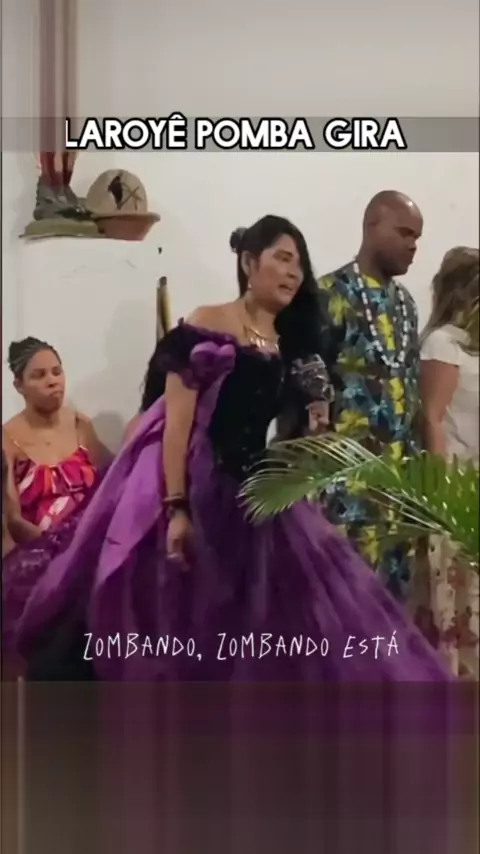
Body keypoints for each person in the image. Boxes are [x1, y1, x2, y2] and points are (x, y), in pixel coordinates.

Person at [3, 215, 452, 683]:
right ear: (249, 263)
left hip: (257, 492)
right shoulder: (207, 322)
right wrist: (177, 507)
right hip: (195, 483)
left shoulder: (291, 344)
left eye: (299, 264)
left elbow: (289, 438)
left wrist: (313, 420)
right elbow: (176, 423)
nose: (293, 272)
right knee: (178, 621)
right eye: (282, 258)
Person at [309, 190, 424, 600]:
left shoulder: (406, 305)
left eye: (417, 237)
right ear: (372, 226)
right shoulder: (329, 295)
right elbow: (305, 386)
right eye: (405, 233)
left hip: (396, 493)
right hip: (344, 490)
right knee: (341, 606)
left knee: (391, 610)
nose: (413, 245)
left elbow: (410, 390)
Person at [413, 247, 479, 678]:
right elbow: (433, 419)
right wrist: (441, 498)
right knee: (455, 606)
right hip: (455, 488)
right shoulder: (444, 343)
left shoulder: (472, 347)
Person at [2, 337, 111, 543]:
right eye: (39, 375)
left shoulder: (80, 425)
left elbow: (112, 479)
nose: (52, 381)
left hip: (92, 543)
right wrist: (56, 546)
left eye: (57, 371)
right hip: (40, 551)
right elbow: (13, 521)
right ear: (19, 385)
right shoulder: (7, 440)